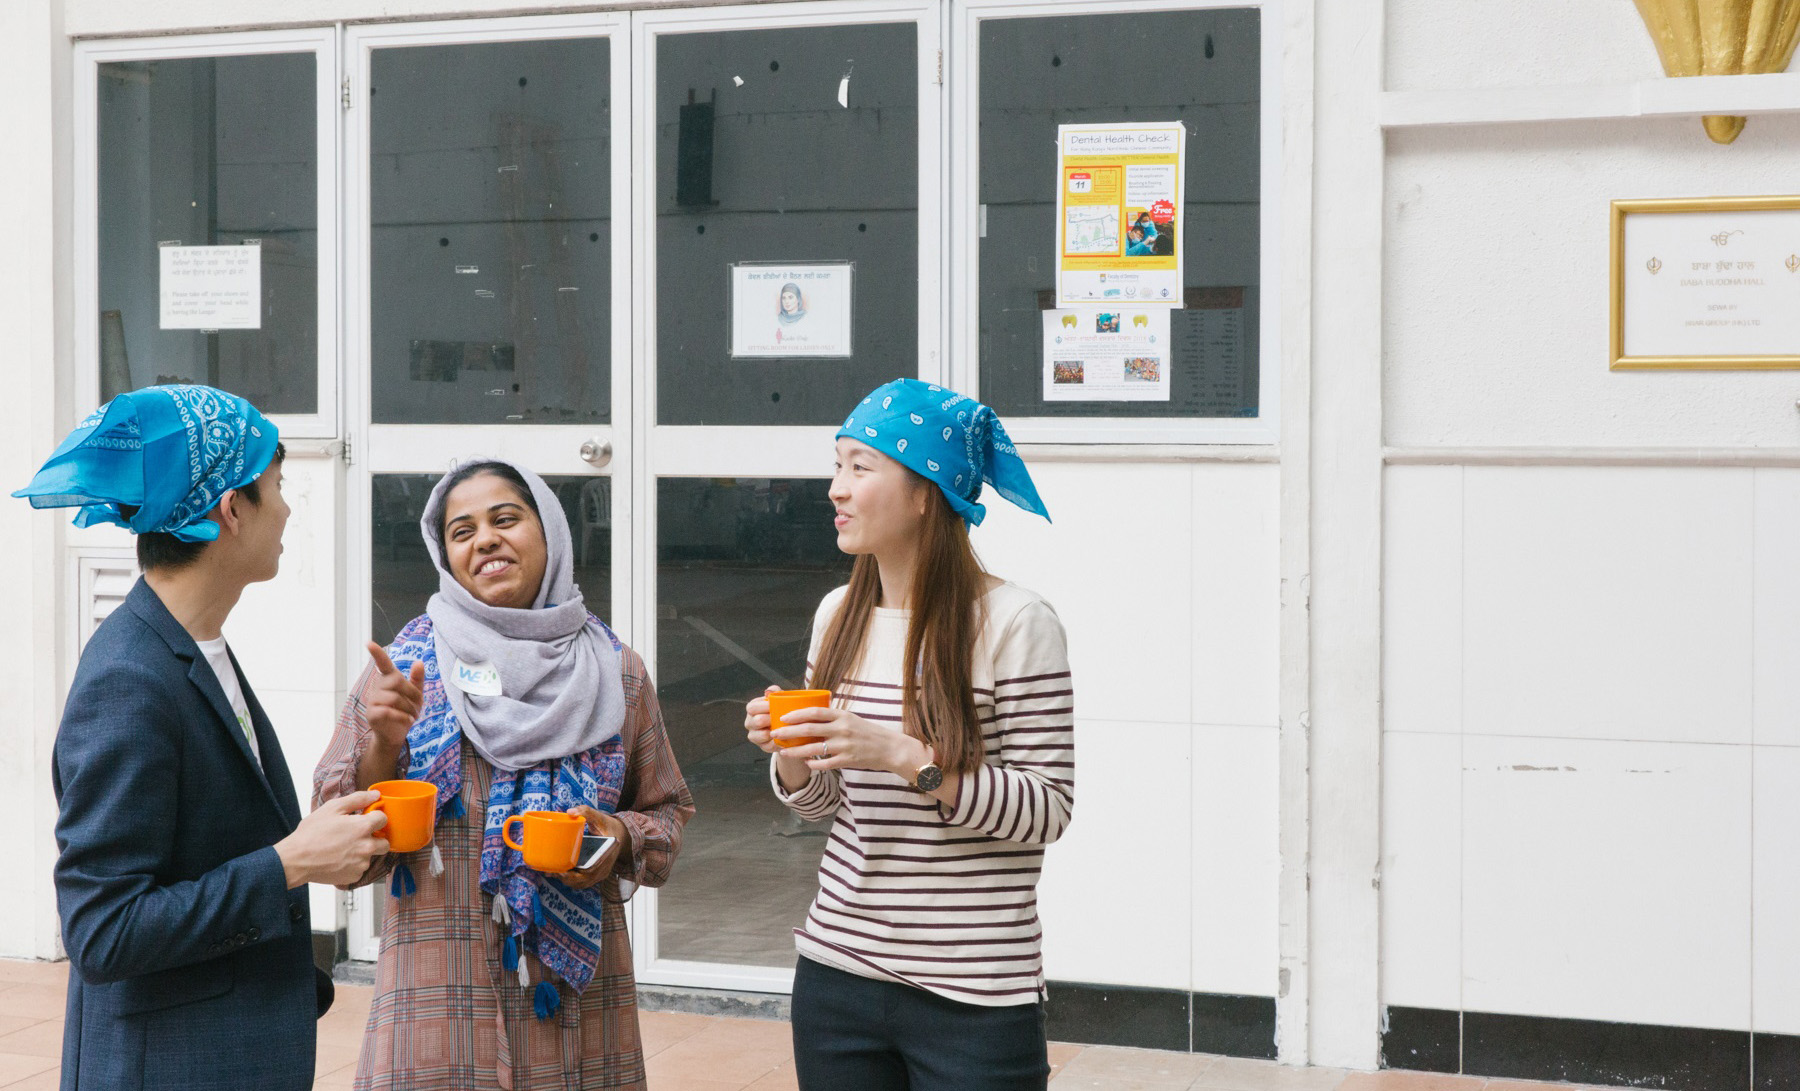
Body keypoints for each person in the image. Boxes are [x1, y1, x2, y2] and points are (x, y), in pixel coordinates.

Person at [12, 384, 391, 1091]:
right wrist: (289, 861)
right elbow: (104, 930)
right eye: (277, 487)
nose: (287, 508)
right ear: (231, 509)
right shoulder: (129, 679)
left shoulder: (193, 645)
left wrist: (322, 853)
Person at [314, 457, 694, 1091]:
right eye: (461, 531)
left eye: (506, 519)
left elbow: (666, 813)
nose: (484, 538)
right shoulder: (405, 670)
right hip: (438, 995)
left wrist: (616, 838)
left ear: (549, 532)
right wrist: (384, 743)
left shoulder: (615, 673)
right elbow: (338, 835)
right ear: (446, 555)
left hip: (574, 1008)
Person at [743, 378, 1075, 1091]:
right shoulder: (839, 614)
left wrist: (906, 757)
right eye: (837, 465)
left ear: (927, 490)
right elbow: (827, 808)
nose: (836, 488)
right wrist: (796, 759)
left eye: (860, 467)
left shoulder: (1018, 623)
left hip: (975, 993)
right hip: (838, 973)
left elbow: (1048, 810)